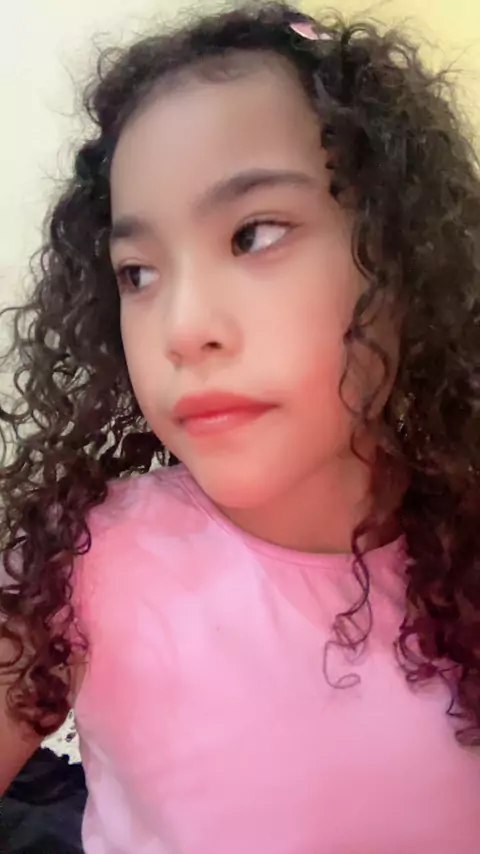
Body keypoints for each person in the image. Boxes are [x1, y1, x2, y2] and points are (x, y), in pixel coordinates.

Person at [1, 1, 480, 851]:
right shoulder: (80, 566)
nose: (183, 328)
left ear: (401, 257)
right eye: (138, 273)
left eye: (254, 235)